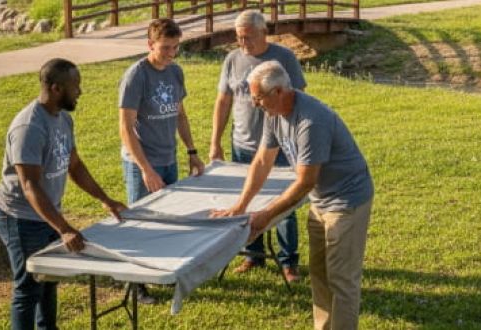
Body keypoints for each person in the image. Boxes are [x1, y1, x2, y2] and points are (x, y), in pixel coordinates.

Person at [211, 61, 373, 330]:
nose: (254, 104)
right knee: (320, 275)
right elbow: (263, 161)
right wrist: (241, 205)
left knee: (341, 279)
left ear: (278, 92)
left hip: (346, 202)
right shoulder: (273, 113)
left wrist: (266, 215)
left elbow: (305, 182)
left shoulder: (311, 121)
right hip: (321, 201)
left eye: (258, 97)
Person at [0, 58, 127, 330]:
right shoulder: (29, 127)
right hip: (20, 217)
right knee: (28, 287)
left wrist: (105, 199)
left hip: (47, 213)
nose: (80, 91)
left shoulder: (63, 119)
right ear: (56, 89)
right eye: (75, 86)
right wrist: (64, 228)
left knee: (49, 279)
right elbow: (29, 185)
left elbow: (74, 166)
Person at [209, 9, 307, 281]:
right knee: (246, 198)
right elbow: (224, 101)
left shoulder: (284, 58)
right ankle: (254, 254)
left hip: (280, 145)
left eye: (248, 37)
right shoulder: (232, 59)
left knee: (284, 203)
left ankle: (288, 262)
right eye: (239, 38)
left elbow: (298, 99)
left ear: (264, 33)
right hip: (243, 144)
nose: (243, 43)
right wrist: (215, 142)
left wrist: (296, 138)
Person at [118, 18, 204, 303]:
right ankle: (135, 284)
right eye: (165, 47)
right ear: (150, 44)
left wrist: (192, 152)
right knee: (141, 222)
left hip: (169, 159)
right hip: (142, 163)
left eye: (175, 47)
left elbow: (180, 114)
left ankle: (160, 271)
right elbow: (126, 128)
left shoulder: (175, 72)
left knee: (168, 220)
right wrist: (145, 169)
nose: (171, 53)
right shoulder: (136, 75)